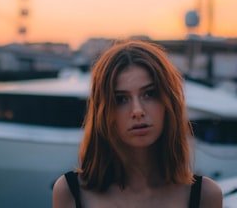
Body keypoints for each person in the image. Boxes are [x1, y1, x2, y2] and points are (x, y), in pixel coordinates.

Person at [53, 39, 222, 207]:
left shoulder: (204, 196)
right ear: (103, 113)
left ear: (168, 102)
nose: (137, 111)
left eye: (149, 94)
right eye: (120, 99)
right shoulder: (71, 192)